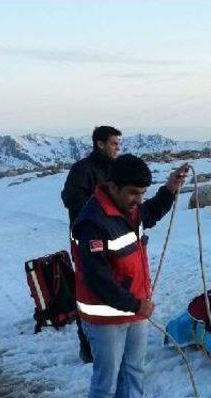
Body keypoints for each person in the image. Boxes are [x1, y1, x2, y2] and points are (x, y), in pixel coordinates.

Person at [71, 154, 187, 398]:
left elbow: (149, 214)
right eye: (133, 193)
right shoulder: (91, 223)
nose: (138, 200)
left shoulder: (130, 209)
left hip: (136, 312)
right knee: (106, 380)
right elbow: (98, 278)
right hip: (106, 317)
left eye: (142, 193)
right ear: (112, 187)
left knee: (133, 374)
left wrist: (170, 190)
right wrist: (134, 303)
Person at [62, 126, 122, 363]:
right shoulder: (82, 169)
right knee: (89, 292)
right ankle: (87, 345)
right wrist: (101, 209)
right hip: (87, 242)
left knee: (116, 286)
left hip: (116, 240)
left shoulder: (117, 170)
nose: (118, 148)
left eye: (119, 144)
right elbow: (70, 199)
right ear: (100, 144)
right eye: (114, 143)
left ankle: (116, 339)